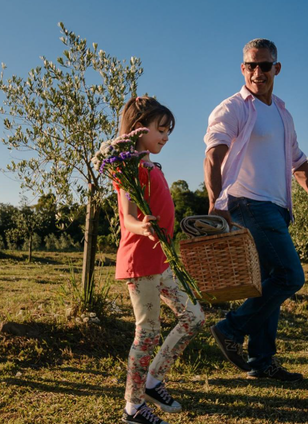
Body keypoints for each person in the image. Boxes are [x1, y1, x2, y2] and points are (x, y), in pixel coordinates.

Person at [204, 39, 308, 381]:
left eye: (264, 65)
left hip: (277, 208)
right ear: (242, 68)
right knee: (291, 276)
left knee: (268, 283)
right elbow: (213, 155)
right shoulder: (233, 108)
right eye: (250, 65)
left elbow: (298, 161)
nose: (257, 71)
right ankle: (231, 329)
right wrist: (216, 202)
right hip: (247, 202)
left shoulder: (282, 113)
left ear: (277, 68)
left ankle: (262, 362)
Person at [116, 97, 205, 424]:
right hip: (140, 263)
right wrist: (145, 227)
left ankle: (153, 380)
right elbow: (127, 219)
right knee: (148, 332)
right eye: (161, 129)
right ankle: (133, 407)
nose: (166, 136)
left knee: (194, 317)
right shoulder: (127, 168)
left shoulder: (153, 166)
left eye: (169, 130)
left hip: (163, 262)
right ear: (139, 129)